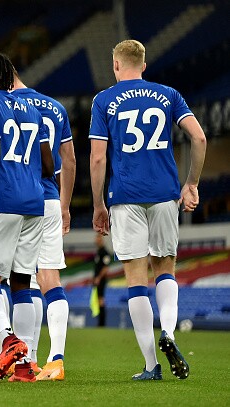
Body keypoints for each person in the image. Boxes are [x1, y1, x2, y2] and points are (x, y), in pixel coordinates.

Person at [89, 39, 206, 380]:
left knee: (135, 278)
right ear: (143, 64)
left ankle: (151, 365)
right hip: (165, 195)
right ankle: (168, 331)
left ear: (115, 65)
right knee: (165, 269)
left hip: (125, 197)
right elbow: (198, 138)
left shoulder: (104, 100)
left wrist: (98, 204)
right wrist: (192, 183)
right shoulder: (168, 94)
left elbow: (97, 157)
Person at [0, 55, 76, 381]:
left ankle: (10, 342)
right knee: (22, 282)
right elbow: (46, 162)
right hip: (35, 201)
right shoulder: (33, 108)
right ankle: (26, 366)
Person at [93, 233, 111, 327]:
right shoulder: (98, 251)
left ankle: (102, 323)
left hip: (101, 280)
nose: (96, 240)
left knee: (101, 300)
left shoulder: (104, 252)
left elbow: (106, 268)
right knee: (99, 300)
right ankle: (100, 322)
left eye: (98, 238)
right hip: (98, 280)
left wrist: (98, 278)